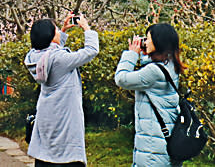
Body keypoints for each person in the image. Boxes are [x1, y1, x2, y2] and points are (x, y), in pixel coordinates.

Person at [24, 14, 99, 166]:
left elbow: (51, 52)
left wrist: (62, 31)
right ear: (50, 37)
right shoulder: (59, 59)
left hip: (46, 115)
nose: (59, 32)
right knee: (66, 157)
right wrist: (86, 28)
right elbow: (91, 50)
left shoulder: (35, 57)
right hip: (64, 115)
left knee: (46, 155)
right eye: (56, 30)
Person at [114, 23, 185, 167]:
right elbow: (150, 69)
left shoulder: (154, 72)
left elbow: (121, 79)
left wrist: (131, 54)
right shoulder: (170, 64)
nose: (145, 42)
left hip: (152, 149)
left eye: (147, 39)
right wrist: (145, 54)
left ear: (158, 42)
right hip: (164, 142)